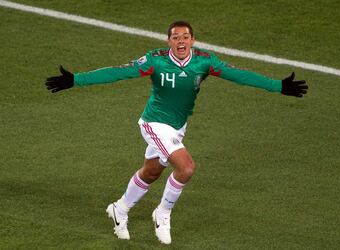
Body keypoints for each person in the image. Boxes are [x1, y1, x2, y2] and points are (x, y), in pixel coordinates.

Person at [45, 21, 308, 244]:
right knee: (186, 168)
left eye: (185, 37)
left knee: (151, 171)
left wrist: (278, 86)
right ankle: (162, 212)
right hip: (153, 122)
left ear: (193, 40)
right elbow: (119, 72)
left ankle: (120, 208)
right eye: (175, 37)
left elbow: (238, 75)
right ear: (168, 41)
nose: (180, 41)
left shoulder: (204, 62)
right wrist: (76, 79)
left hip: (177, 127)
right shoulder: (155, 61)